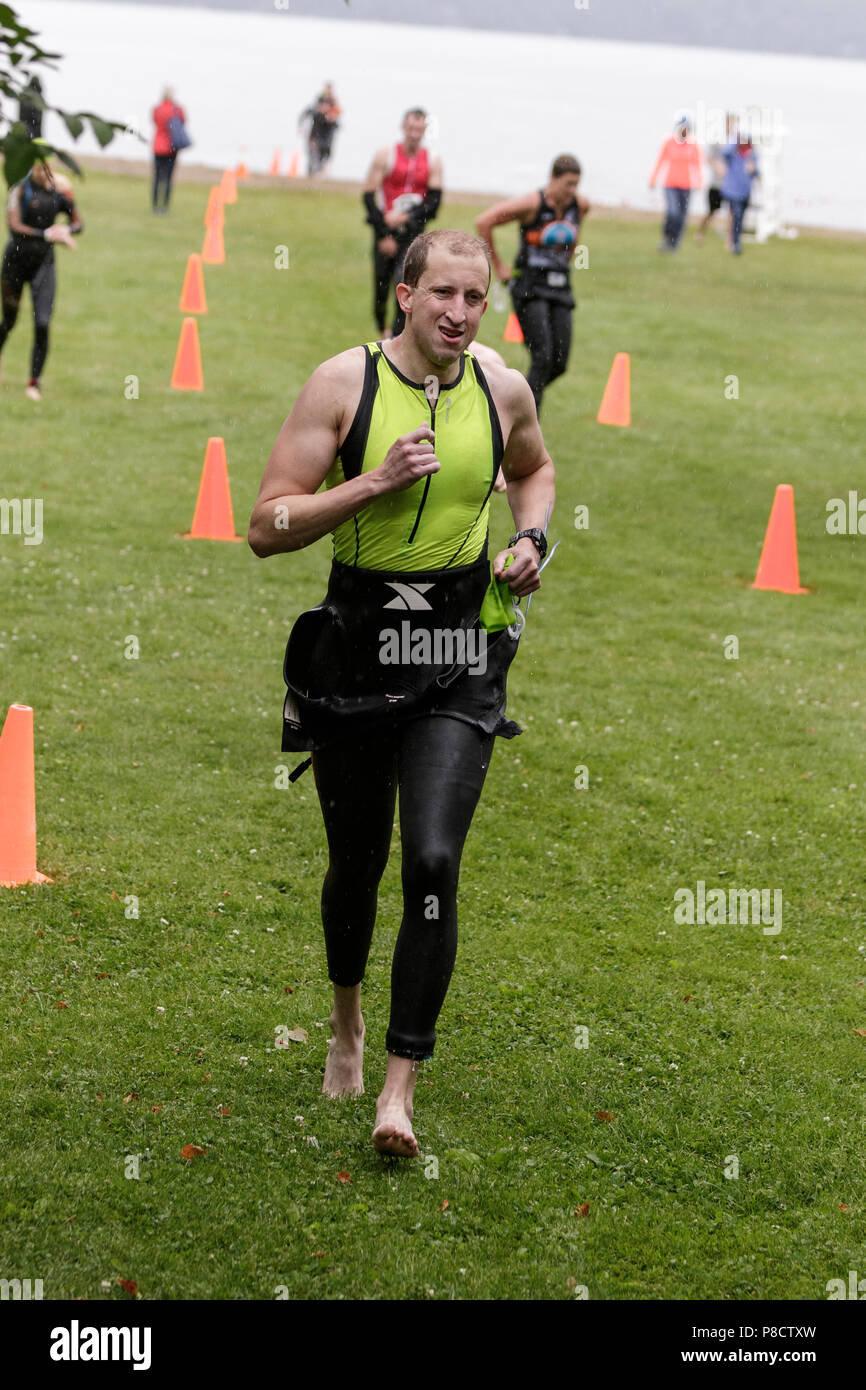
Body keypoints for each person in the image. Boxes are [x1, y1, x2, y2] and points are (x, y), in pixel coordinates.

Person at [248, 228, 555, 1157]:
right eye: (444, 296)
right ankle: (344, 1021)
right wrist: (372, 484)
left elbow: (534, 471)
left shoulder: (503, 389)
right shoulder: (344, 385)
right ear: (405, 294)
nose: (461, 315)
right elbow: (266, 524)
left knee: (431, 860)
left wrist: (533, 542)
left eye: (476, 298)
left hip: (460, 645)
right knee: (359, 861)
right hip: (356, 645)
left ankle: (398, 1090)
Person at [475, 155, 589, 415]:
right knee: (543, 356)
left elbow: (575, 231)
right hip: (529, 286)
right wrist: (498, 265)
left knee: (559, 363)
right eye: (568, 184)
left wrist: (569, 255)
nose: (572, 191)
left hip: (560, 287)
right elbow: (484, 221)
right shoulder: (532, 203)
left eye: (576, 185)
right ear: (553, 178)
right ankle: (527, 425)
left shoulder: (580, 204)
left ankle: (510, 402)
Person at [0, 161, 82, 401]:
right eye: (36, 167)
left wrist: (67, 231)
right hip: (14, 264)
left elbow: (77, 222)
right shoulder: (20, 189)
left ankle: (34, 383)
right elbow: (14, 226)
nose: (41, 172)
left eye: (45, 167)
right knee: (9, 320)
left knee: (43, 323)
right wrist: (45, 234)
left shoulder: (60, 190)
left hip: (43, 266)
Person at [362, 109, 442, 339]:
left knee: (405, 283)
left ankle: (398, 338)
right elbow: (368, 197)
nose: (415, 134)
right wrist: (384, 233)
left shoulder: (433, 160)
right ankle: (381, 328)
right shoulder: (385, 155)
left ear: (425, 131)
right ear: (403, 128)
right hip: (385, 230)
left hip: (413, 234)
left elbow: (434, 202)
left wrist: (408, 217)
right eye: (411, 129)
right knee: (380, 288)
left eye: (420, 130)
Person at [649, 117, 703, 252]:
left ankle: (675, 242)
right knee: (673, 212)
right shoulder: (669, 142)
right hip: (671, 184)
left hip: (686, 186)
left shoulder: (693, 145)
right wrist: (653, 179)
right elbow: (660, 161)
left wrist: (699, 182)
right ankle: (667, 238)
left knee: (682, 216)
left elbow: (697, 165)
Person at [695, 113, 737, 244]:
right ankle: (700, 233)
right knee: (711, 212)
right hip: (717, 183)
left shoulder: (736, 142)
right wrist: (718, 166)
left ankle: (729, 240)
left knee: (731, 213)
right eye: (729, 123)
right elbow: (707, 157)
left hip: (731, 185)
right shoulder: (717, 141)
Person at [720, 131, 760, 255]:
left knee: (740, 218)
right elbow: (724, 153)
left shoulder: (751, 155)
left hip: (745, 192)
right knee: (736, 216)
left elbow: (756, 173)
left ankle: (736, 242)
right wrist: (735, 140)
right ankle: (735, 243)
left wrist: (753, 171)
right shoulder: (733, 154)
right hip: (732, 192)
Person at [151, 87, 186, 214]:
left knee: (157, 177)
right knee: (168, 178)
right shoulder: (177, 110)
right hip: (171, 148)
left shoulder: (157, 109)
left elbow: (155, 122)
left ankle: (155, 206)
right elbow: (182, 123)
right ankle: (165, 206)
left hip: (158, 147)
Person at [299, 94, 339, 177]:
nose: (324, 107)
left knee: (323, 159)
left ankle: (320, 174)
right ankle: (311, 174)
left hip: (325, 143)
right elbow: (305, 116)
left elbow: (335, 127)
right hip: (315, 140)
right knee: (313, 157)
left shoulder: (330, 118)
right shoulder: (316, 114)